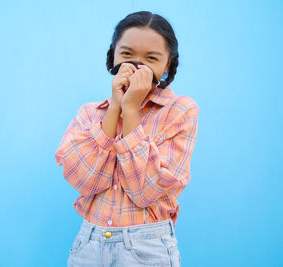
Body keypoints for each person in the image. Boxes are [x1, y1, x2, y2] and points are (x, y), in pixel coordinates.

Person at [55, 10, 199, 267]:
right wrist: (116, 108)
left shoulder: (180, 111)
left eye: (151, 58)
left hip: (148, 247)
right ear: (113, 57)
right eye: (127, 55)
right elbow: (86, 182)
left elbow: (145, 192)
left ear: (167, 66)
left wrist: (130, 110)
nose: (136, 65)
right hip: (88, 245)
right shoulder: (89, 113)